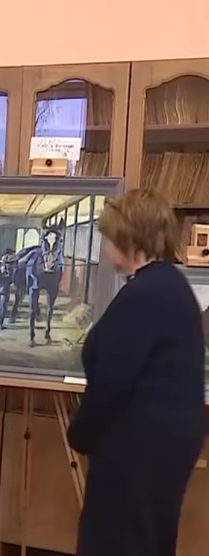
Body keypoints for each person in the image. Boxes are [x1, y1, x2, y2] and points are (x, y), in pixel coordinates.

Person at [67, 188, 205, 556]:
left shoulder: (146, 294)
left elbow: (112, 379)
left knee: (119, 541)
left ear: (129, 238)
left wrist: (80, 433)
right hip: (162, 443)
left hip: (137, 447)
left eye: (109, 239)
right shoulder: (170, 285)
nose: (105, 248)